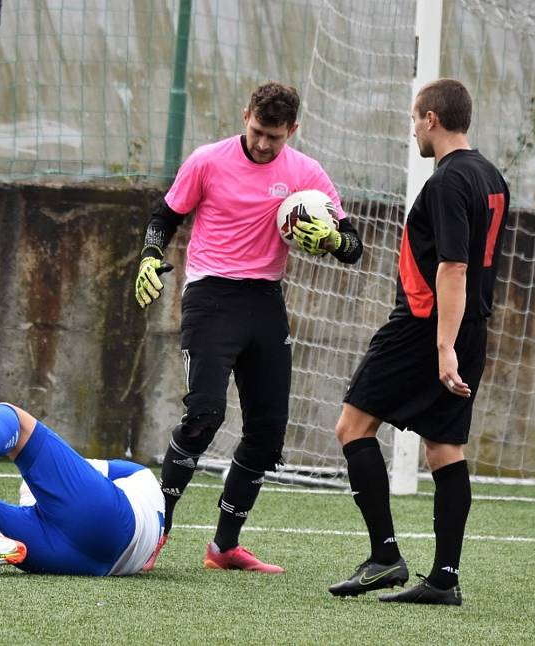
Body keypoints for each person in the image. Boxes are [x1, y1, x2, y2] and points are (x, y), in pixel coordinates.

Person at [134, 81, 363, 573]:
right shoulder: (207, 161)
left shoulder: (306, 175)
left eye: (274, 137)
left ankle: (224, 547)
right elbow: (164, 217)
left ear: (292, 131)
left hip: (265, 301)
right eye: (258, 131)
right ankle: (153, 532)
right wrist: (151, 253)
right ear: (245, 117)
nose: (263, 144)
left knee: (267, 432)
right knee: (204, 416)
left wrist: (331, 241)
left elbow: (353, 244)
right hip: (210, 297)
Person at [328, 78, 510, 605]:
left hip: (426, 326)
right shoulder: (491, 175)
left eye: (414, 119)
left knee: (352, 426)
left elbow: (453, 265)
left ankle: (385, 557)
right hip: (472, 324)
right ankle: (444, 579)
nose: (412, 130)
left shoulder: (449, 180)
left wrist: (442, 345)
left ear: (432, 118)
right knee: (443, 446)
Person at [0, 403, 164, 575]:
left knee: (11, 414)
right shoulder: (136, 477)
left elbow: (71, 470)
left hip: (92, 535)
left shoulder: (128, 472)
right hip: (95, 559)